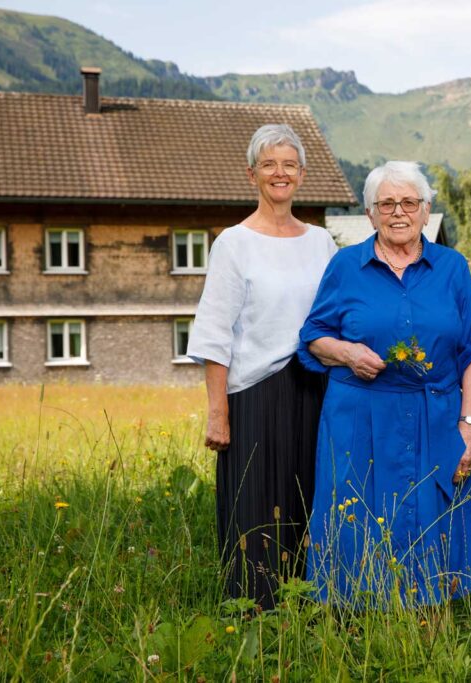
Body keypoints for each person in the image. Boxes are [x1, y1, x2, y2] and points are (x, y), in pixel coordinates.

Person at [298, 161, 471, 606]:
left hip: (435, 415)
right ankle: (352, 621)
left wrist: (469, 425)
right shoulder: (346, 265)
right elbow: (313, 336)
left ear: (426, 211)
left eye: (409, 202)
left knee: (428, 515)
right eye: (387, 203)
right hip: (359, 416)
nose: (398, 212)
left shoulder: (452, 267)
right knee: (356, 515)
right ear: (370, 213)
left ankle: (429, 619)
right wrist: (347, 353)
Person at [187, 124, 338, 611]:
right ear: (252, 173)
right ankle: (252, 612)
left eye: (289, 164)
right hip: (253, 391)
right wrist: (217, 411)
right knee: (255, 503)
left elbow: (341, 314)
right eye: (270, 164)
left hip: (316, 385)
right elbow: (214, 331)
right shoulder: (234, 243)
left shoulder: (322, 243)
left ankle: (311, 605)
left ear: (302, 174)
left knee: (309, 499)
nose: (280, 173)